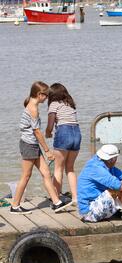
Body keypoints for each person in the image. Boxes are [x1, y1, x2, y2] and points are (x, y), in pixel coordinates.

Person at [10, 81, 72, 214]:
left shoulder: (31, 104)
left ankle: (56, 202)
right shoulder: (33, 108)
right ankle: (15, 206)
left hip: (32, 144)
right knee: (26, 176)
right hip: (29, 144)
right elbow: (37, 132)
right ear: (39, 94)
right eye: (46, 96)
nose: (47, 98)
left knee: (45, 174)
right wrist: (47, 150)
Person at [45, 83, 81, 206]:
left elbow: (50, 125)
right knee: (70, 168)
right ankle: (75, 198)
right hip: (76, 133)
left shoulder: (54, 105)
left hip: (64, 132)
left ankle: (57, 198)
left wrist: (47, 133)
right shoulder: (70, 104)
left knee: (58, 168)